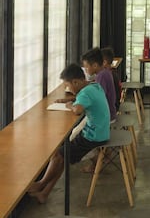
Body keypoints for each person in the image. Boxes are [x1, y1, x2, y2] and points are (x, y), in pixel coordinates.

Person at [28, 63, 110, 204]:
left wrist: (70, 105)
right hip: (101, 131)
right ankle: (44, 193)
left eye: (68, 85)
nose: (68, 89)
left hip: (93, 136)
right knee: (62, 154)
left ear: (76, 82)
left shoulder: (85, 93)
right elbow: (83, 99)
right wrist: (70, 100)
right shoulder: (94, 86)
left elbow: (78, 110)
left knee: (59, 155)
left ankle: (41, 184)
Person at [82, 47, 117, 123]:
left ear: (95, 65)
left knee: (76, 131)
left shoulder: (101, 76)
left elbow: (98, 99)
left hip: (106, 116)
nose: (85, 70)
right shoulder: (105, 72)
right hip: (110, 112)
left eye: (86, 67)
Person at [101, 47, 121, 111]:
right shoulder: (112, 73)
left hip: (110, 109)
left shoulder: (105, 76)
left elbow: (101, 96)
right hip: (114, 106)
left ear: (104, 62)